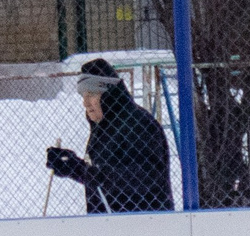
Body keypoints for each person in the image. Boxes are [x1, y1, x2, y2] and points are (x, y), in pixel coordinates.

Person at [44, 58, 175, 213]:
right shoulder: (104, 129)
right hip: (109, 225)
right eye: (83, 96)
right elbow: (100, 177)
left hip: (144, 222)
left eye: (91, 94)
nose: (85, 103)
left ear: (108, 94)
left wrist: (83, 170)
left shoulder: (138, 124)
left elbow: (145, 176)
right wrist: (71, 165)